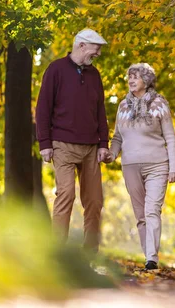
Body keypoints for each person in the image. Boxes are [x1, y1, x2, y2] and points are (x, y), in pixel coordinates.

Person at [35, 28, 110, 253]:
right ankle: (59, 253)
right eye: (95, 50)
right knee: (66, 194)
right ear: (81, 46)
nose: (96, 55)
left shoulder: (94, 75)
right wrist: (45, 143)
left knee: (95, 201)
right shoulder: (55, 69)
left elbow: (100, 111)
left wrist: (104, 144)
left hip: (91, 147)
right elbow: (42, 108)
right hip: (62, 144)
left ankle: (90, 254)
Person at [107, 63, 175, 270]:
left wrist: (173, 167)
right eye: (129, 77)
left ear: (146, 81)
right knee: (140, 215)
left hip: (157, 165)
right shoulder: (122, 106)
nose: (130, 81)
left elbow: (170, 138)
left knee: (151, 211)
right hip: (130, 166)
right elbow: (117, 137)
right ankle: (147, 254)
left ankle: (152, 258)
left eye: (135, 77)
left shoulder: (159, 104)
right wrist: (111, 154)